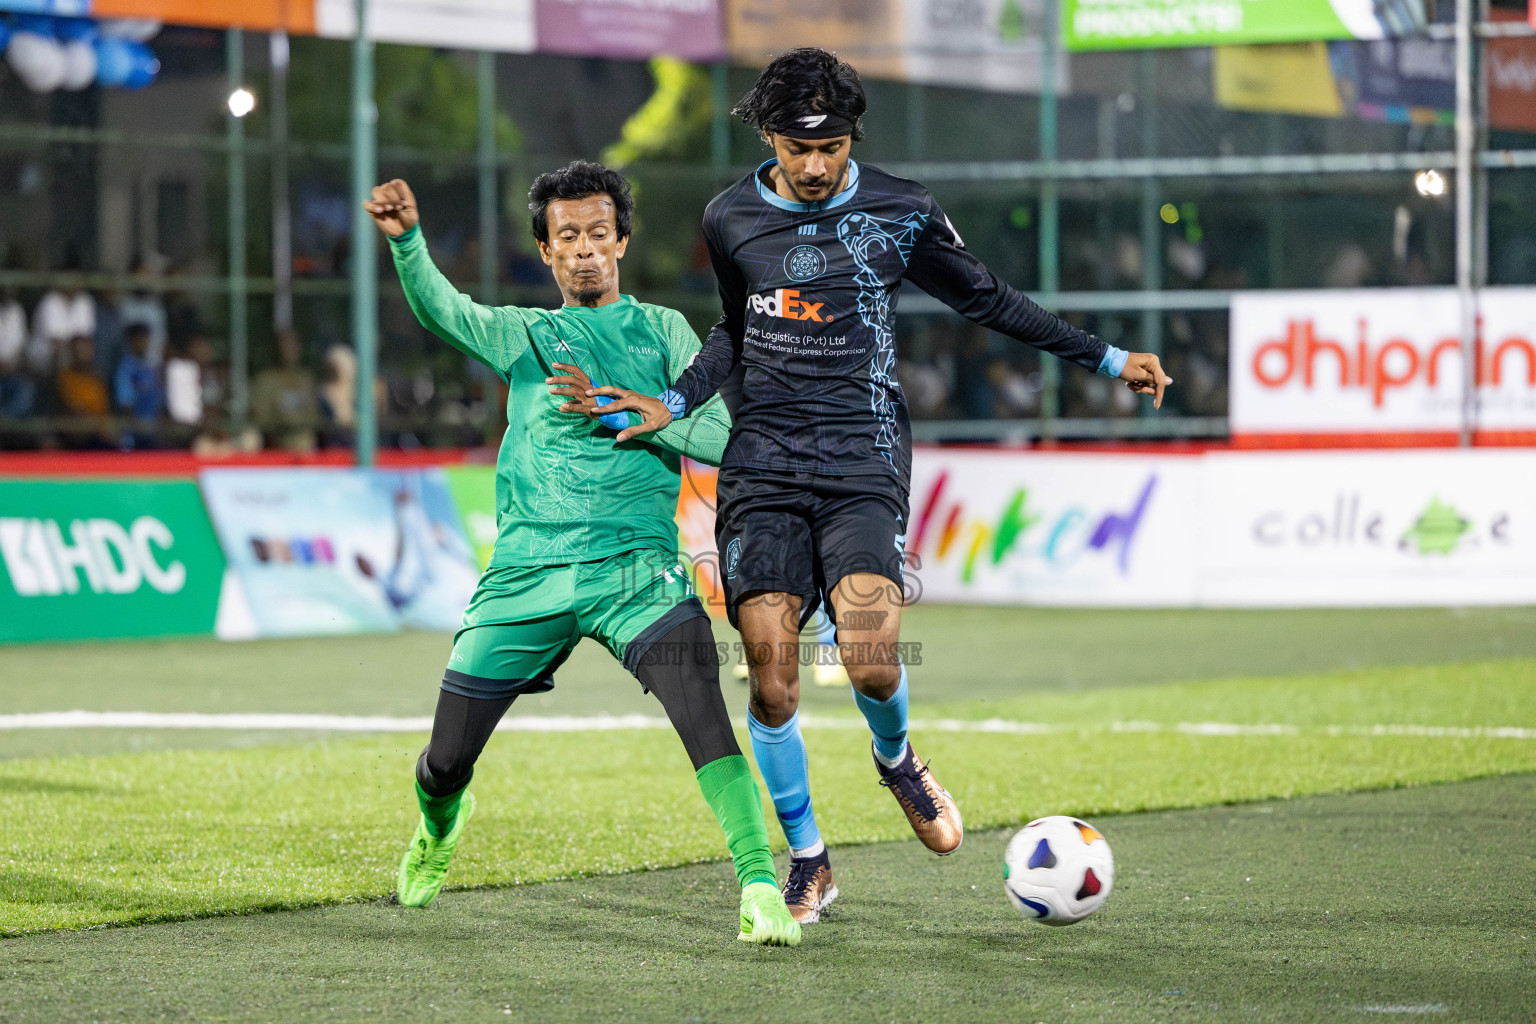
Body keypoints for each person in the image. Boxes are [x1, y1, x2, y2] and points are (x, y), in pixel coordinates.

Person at [592, 48, 1173, 926]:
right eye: (797, 147)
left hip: (863, 454)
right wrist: (673, 401)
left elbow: (988, 298)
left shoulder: (901, 210)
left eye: (830, 147)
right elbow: (731, 332)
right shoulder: (730, 218)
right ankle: (811, 860)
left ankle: (896, 759)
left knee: (867, 657)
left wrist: (1106, 356)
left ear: (853, 136)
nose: (816, 166)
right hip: (764, 463)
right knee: (774, 682)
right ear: (769, 138)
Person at [364, 164, 801, 946]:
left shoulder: (664, 332)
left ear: (622, 242)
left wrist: (634, 415)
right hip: (526, 572)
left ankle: (760, 888)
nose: (586, 251)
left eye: (600, 234)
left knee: (705, 715)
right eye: (568, 237)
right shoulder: (526, 335)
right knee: (444, 762)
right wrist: (407, 245)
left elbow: (725, 439)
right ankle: (439, 827)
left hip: (636, 570)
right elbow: (445, 310)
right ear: (547, 252)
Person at [250, 330, 320, 452]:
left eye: (294, 345)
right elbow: (262, 419)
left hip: (307, 448)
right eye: (286, 345)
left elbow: (314, 415)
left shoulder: (306, 379)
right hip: (278, 448)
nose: (290, 350)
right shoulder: (266, 380)